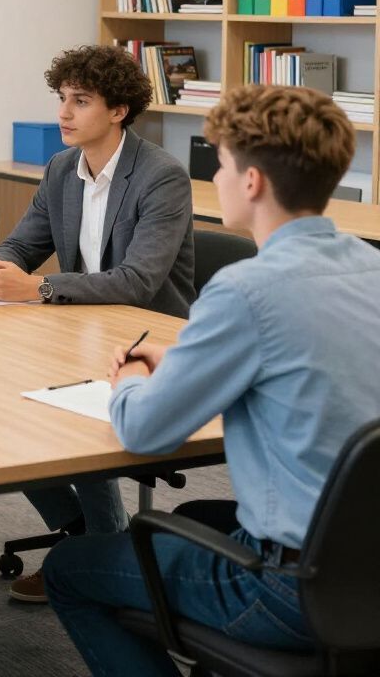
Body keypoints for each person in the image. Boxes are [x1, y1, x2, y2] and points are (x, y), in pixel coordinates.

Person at [44, 84, 380, 676]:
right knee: (196, 515)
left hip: (291, 590)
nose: (215, 179)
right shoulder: (371, 267)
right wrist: (181, 368)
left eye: (220, 164)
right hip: (364, 562)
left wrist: (126, 380)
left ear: (251, 182)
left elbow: (144, 430)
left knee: (69, 569)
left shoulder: (248, 290)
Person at [0, 44, 194, 603]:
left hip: (146, 339)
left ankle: (102, 547)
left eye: (81, 101)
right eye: (62, 99)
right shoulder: (62, 168)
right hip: (81, 327)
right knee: (2, 401)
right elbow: (27, 240)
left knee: (67, 408)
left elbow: (138, 280)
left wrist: (41, 287)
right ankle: (83, 539)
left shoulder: (160, 175)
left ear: (118, 110)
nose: (64, 113)